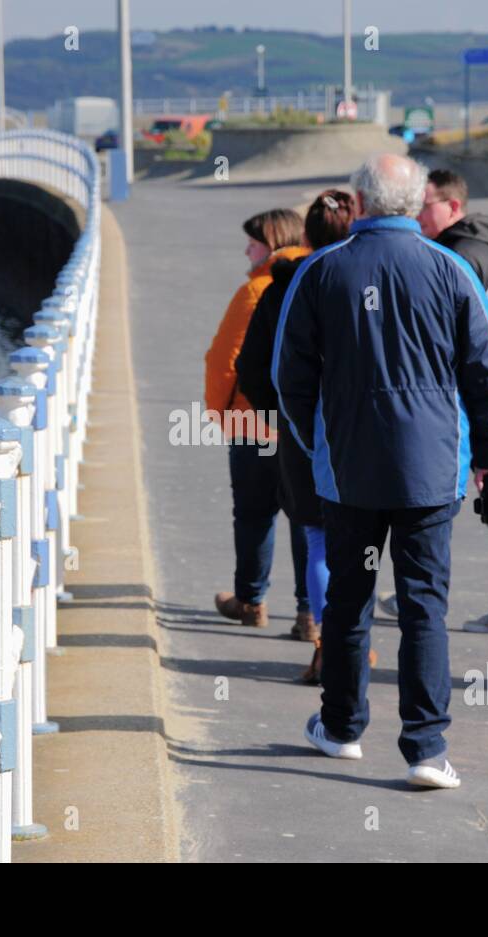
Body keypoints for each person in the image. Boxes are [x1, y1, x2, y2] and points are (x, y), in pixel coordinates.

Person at [275, 154, 488, 788]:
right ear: (415, 203)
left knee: (350, 604)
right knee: (422, 608)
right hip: (431, 473)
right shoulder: (451, 268)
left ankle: (341, 727)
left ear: (358, 203)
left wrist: (317, 441)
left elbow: (289, 379)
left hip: (349, 474)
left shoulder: (320, 271)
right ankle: (427, 750)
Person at [235, 190, 377, 682]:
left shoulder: (282, 287)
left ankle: (325, 643)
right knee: (367, 542)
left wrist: (284, 419)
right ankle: (361, 642)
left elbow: (252, 369)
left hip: (303, 435)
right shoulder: (371, 283)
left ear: (308, 235)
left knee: (317, 537)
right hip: (368, 433)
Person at [402, 168, 488, 636]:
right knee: (483, 487)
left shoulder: (458, 256)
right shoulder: (487, 250)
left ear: (453, 207)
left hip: (479, 389)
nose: (418, 215)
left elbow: (462, 342)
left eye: (426, 205)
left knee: (456, 490)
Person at [207, 209, 308, 628]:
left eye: (254, 242)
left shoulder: (255, 292)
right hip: (303, 424)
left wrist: (220, 414)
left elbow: (224, 362)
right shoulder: (315, 279)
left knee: (253, 513)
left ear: (273, 243)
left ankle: (251, 601)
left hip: (255, 423)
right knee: (307, 519)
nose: (247, 249)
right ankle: (310, 613)